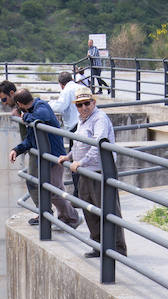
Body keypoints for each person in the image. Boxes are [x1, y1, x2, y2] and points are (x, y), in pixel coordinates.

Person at [58, 85, 126, 259]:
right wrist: (70, 156)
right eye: (79, 105)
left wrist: (80, 162)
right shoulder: (82, 119)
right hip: (86, 171)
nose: (83, 107)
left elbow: (98, 144)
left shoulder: (99, 119)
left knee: (108, 210)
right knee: (89, 209)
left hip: (99, 170)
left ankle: (117, 249)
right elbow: (80, 143)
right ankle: (98, 246)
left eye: (86, 103)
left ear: (93, 102)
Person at [9, 89, 80, 230]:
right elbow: (30, 139)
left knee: (53, 190)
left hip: (55, 156)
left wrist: (25, 117)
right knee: (54, 189)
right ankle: (66, 217)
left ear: (19, 104)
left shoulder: (41, 106)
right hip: (48, 157)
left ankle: (72, 218)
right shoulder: (33, 110)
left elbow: (42, 116)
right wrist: (16, 150)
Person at [0, 79, 39, 224]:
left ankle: (46, 215)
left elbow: (37, 115)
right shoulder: (19, 108)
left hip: (37, 147)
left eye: (4, 99)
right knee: (44, 183)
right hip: (31, 146)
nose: (4, 103)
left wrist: (21, 114)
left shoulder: (23, 105)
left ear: (12, 93)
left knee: (34, 182)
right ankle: (54, 215)